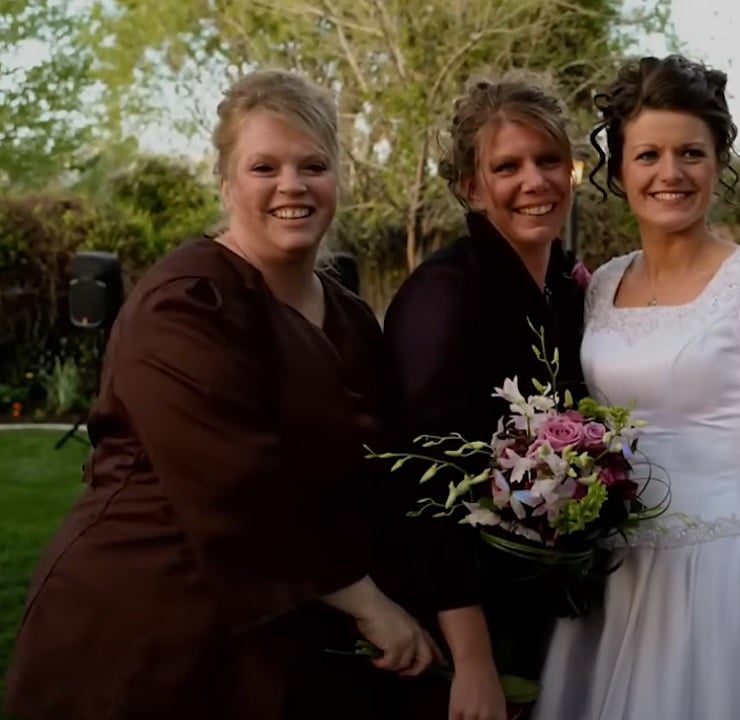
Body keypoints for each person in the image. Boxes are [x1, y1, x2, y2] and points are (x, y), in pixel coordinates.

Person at [3, 69, 437, 720]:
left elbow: (379, 469)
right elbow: (237, 482)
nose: (292, 186)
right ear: (226, 180)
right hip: (146, 626)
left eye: (312, 165)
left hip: (290, 628)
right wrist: (369, 604)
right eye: (264, 166)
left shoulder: (349, 316)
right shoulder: (185, 303)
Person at [532, 55, 740, 720]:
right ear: (619, 169)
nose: (670, 173)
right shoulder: (602, 288)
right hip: (609, 586)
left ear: (718, 162)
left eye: (691, 153)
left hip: (716, 586)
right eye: (648, 154)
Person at [377, 75, 587, 720]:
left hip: (549, 611)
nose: (534, 181)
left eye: (549, 161)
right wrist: (471, 661)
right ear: (471, 187)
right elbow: (423, 482)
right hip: (463, 627)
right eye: (507, 166)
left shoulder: (570, 290)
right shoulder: (444, 295)